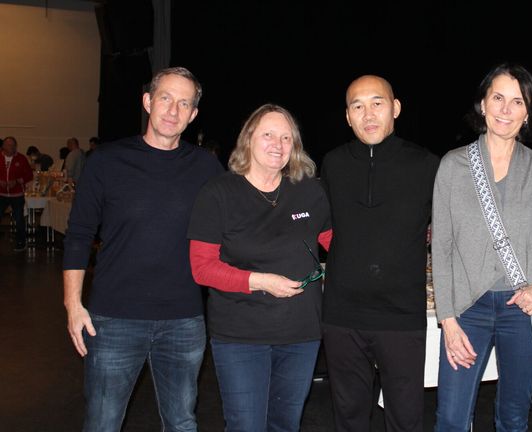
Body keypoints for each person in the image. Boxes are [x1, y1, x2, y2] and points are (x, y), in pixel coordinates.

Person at [63, 66, 223, 432]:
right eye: (165, 98)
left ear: (193, 114)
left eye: (184, 103)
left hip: (184, 320)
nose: (173, 110)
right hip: (114, 318)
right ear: (148, 101)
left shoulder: (206, 168)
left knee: (182, 422)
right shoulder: (106, 161)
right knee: (103, 422)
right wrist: (73, 305)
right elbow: (78, 234)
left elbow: (233, 228)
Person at [431, 63, 532, 431]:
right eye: (498, 98)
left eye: (517, 102)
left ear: (528, 114)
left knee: (512, 417)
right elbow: (441, 247)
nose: (506, 110)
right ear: (482, 104)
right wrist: (448, 319)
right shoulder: (453, 165)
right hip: (467, 309)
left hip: (522, 310)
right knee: (451, 417)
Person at [188, 103, 331, 431]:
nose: (278, 145)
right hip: (241, 335)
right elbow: (202, 268)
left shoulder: (308, 190)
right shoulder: (218, 193)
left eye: (286, 137)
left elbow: (334, 242)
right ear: (248, 139)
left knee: (286, 424)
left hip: (302, 333)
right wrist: (260, 281)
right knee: (246, 425)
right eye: (268, 134)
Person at [320, 75, 440, 432]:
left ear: (395, 108)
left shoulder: (427, 165)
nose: (368, 114)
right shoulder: (332, 163)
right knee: (349, 418)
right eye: (357, 106)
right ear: (347, 116)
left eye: (377, 103)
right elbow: (324, 227)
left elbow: (451, 229)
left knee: (405, 419)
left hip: (401, 315)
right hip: (342, 315)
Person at [1, 136, 34, 251]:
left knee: (19, 219)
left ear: (15, 146)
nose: (9, 147)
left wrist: (18, 180)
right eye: (7, 145)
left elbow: (29, 175)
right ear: (3, 146)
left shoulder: (21, 158)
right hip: (1, 194)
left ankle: (21, 242)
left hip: (17, 195)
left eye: (12, 145)